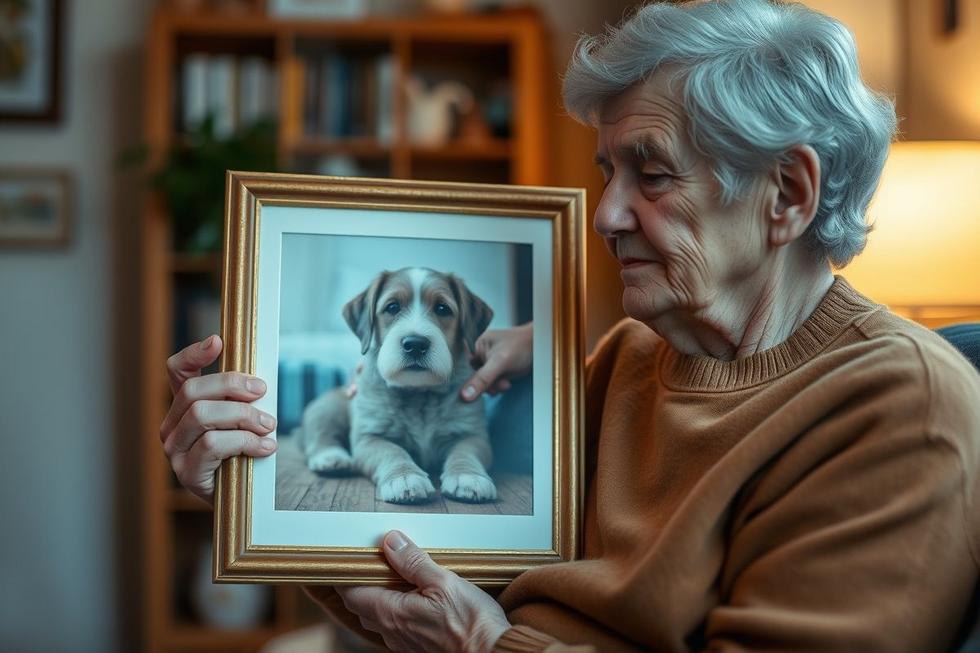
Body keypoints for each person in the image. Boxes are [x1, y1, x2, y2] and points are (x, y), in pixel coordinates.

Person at [158, 1, 980, 651]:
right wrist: (258, 498)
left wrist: (486, 643)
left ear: (789, 195)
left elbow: (475, 625)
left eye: (651, 174)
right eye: (608, 172)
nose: (606, 214)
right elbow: (438, 589)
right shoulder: (628, 358)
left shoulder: (902, 407)